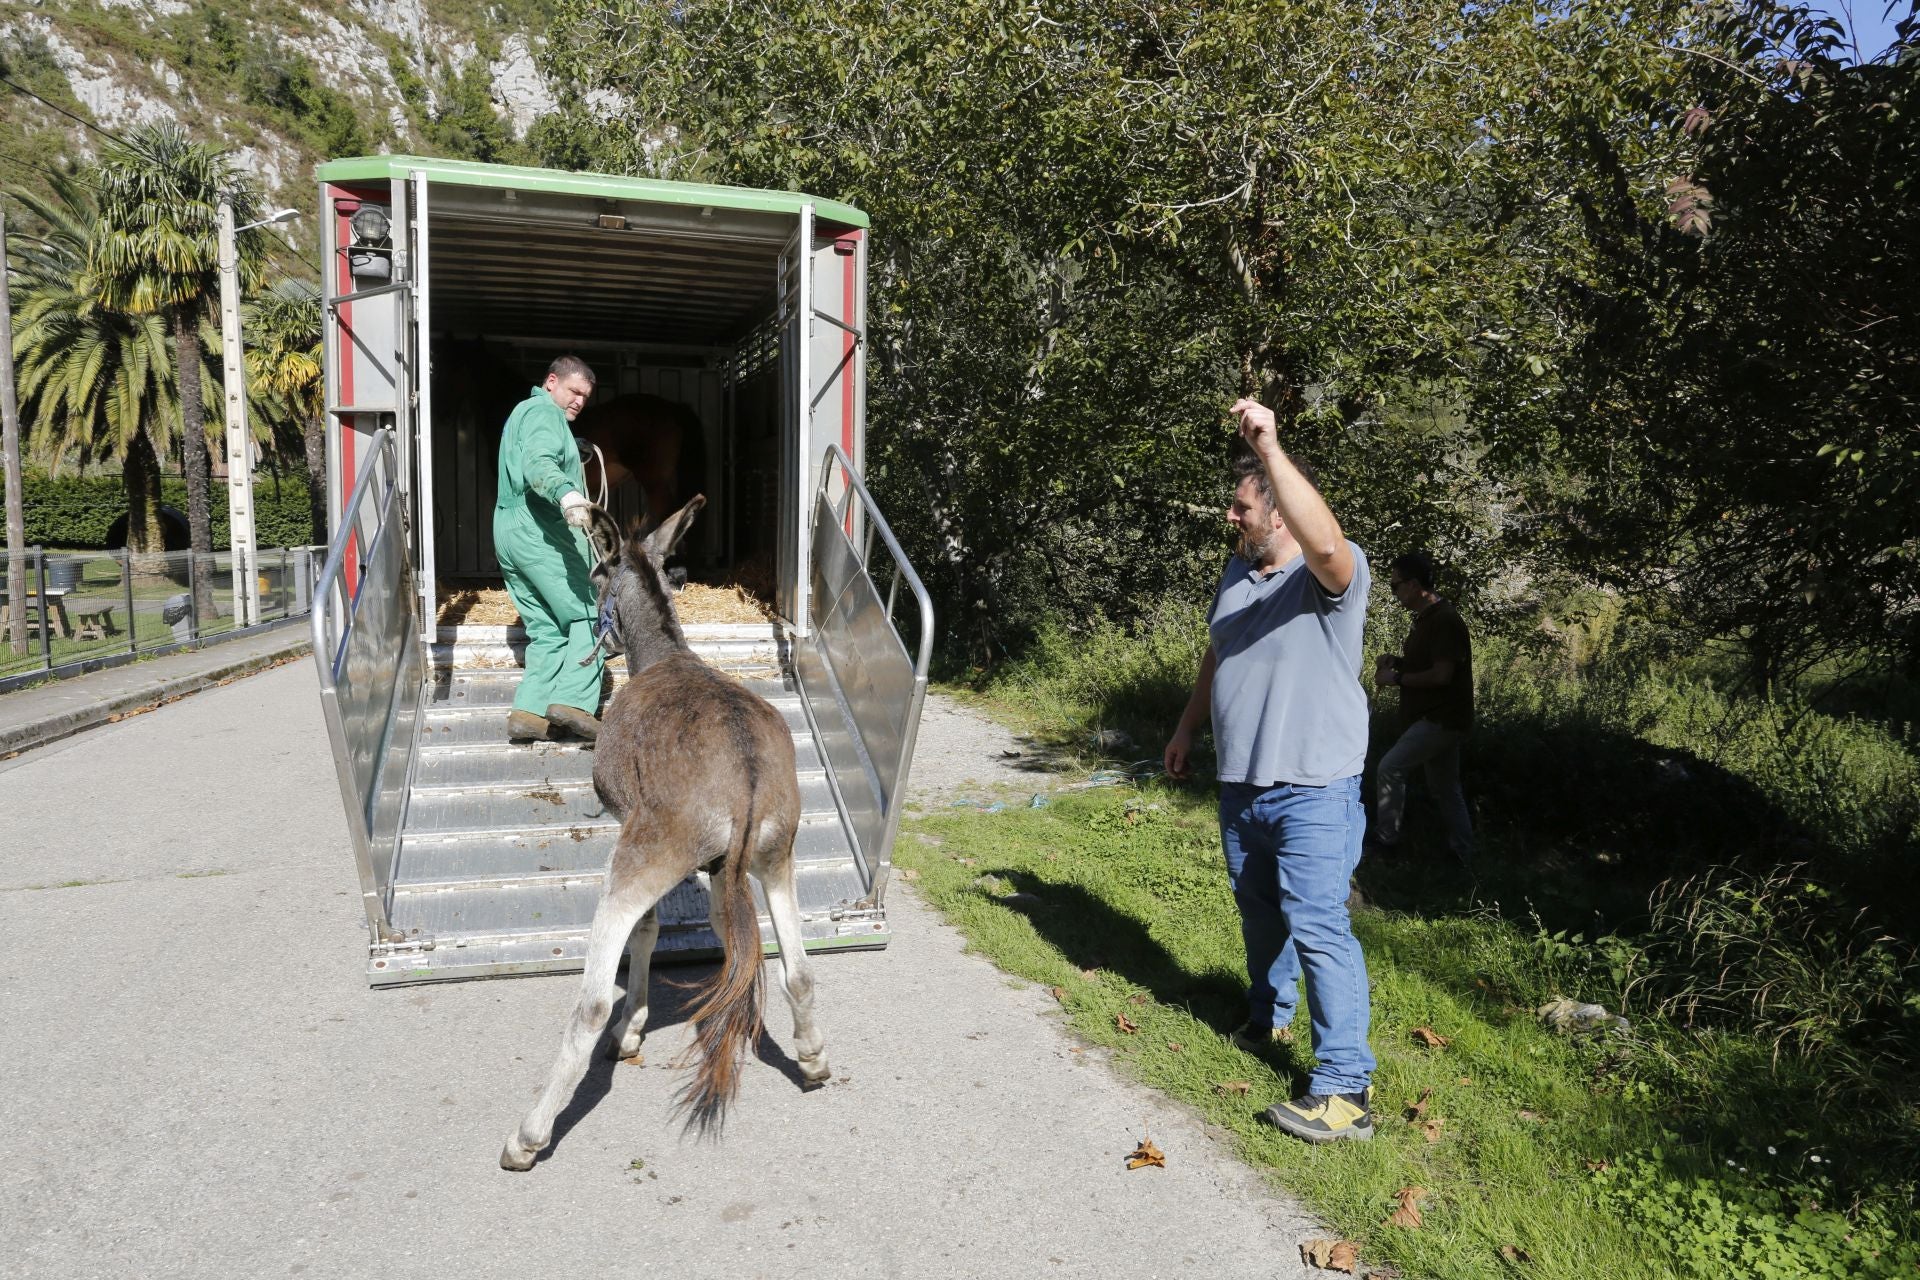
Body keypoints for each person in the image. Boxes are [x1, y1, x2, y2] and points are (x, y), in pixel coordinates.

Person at [1163, 397, 1376, 1145]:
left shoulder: (1329, 579)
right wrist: (1188, 726)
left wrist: (1272, 449)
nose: (1231, 517)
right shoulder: (1237, 571)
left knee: (1319, 926)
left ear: (1279, 511)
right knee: (1258, 911)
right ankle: (1268, 1015)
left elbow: (1329, 544)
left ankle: (1346, 1090)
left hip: (1315, 786)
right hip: (1243, 783)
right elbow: (1220, 650)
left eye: (1242, 506)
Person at [493, 354, 606, 744]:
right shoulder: (545, 413)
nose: (579, 401)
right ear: (551, 381)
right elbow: (539, 461)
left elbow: (532, 453)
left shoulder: (522, 413)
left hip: (508, 530)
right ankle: (574, 701)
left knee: (546, 630)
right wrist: (567, 492)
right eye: (574, 391)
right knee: (590, 614)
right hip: (540, 531)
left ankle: (530, 712)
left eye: (585, 397)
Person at [1371, 551, 1475, 863]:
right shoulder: (1428, 620)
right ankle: (1464, 853)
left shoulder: (1444, 621)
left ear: (1415, 585)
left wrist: (1397, 678)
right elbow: (1428, 665)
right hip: (1440, 718)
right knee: (1446, 788)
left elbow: (1442, 676)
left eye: (1396, 585)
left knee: (1390, 768)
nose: (1394, 592)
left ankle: (1387, 840)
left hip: (1440, 719)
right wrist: (1397, 663)